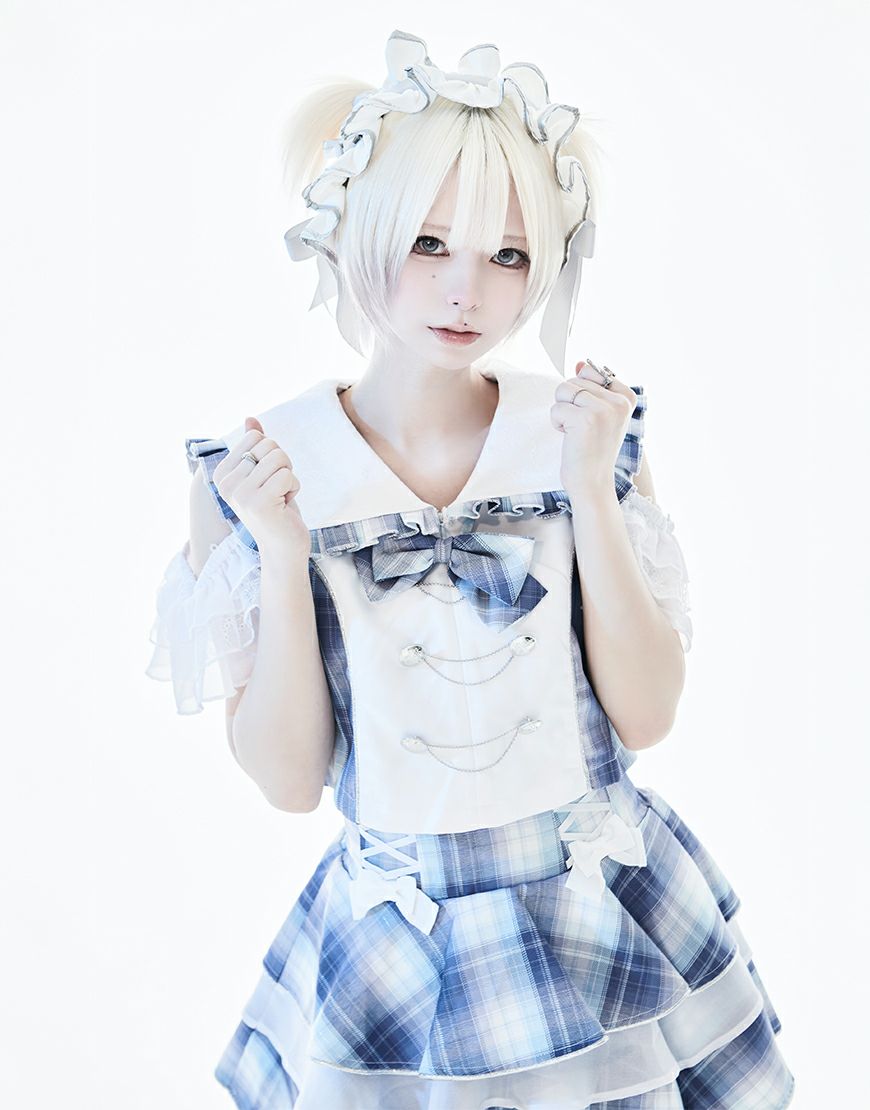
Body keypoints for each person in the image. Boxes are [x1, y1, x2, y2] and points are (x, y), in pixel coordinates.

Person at [145, 28, 796, 1109]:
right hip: (402, 936)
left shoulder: (583, 433)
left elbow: (646, 716)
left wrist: (590, 490)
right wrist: (283, 550)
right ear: (351, 230)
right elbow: (289, 784)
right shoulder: (262, 472)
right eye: (428, 243)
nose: (467, 292)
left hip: (597, 906)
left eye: (509, 257)